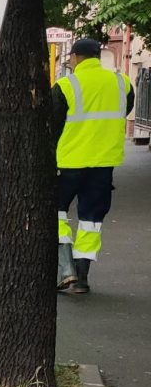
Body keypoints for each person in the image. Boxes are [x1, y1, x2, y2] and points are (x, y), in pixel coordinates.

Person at [54, 38, 134, 295]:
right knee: (91, 220)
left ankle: (66, 269)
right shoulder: (122, 82)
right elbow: (125, 108)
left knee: (55, 212)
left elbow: (52, 124)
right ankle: (82, 278)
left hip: (69, 162)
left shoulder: (66, 85)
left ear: (76, 57)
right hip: (104, 163)